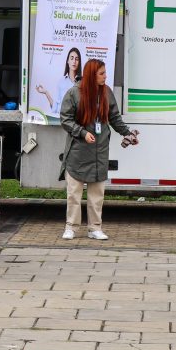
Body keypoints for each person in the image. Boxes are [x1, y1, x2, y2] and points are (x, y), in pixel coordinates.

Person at [59, 58, 137, 240]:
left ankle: (95, 228)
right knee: (74, 195)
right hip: (78, 152)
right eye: (101, 73)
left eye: (105, 73)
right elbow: (66, 119)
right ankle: (71, 226)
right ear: (91, 75)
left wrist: (127, 133)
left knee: (97, 195)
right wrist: (82, 133)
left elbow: (114, 117)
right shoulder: (73, 93)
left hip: (100, 151)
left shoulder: (107, 92)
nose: (105, 76)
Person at [36, 47, 81, 115]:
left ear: (79, 62)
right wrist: (46, 92)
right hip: (63, 121)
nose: (74, 61)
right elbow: (55, 108)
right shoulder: (61, 82)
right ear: (68, 61)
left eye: (76, 59)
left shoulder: (83, 82)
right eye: (71, 58)